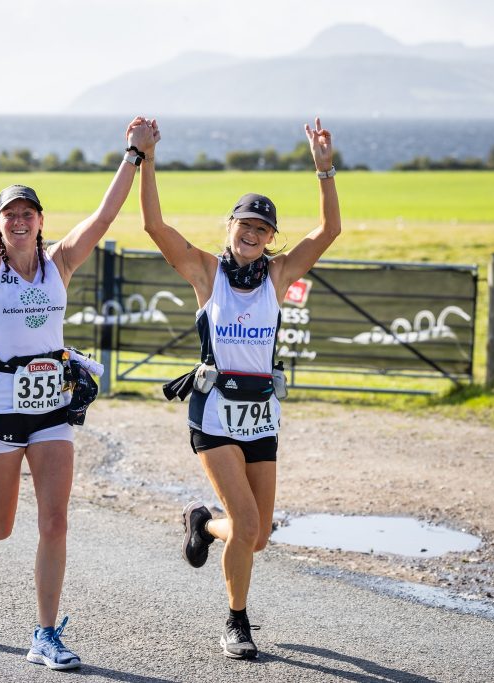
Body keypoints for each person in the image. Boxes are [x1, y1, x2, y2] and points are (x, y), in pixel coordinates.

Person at [0, 84, 153, 671]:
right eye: (10, 215)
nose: (19, 221)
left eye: (28, 213)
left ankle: (45, 634)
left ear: (40, 221)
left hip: (51, 408)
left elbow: (105, 215)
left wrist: (134, 155)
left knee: (55, 520)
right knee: (0, 524)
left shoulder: (60, 264)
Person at [138, 117, 341, 659]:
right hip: (214, 414)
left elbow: (328, 233)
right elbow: (155, 226)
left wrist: (324, 170)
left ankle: (204, 525)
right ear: (229, 226)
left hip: (262, 414)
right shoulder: (207, 273)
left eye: (262, 230)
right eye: (244, 226)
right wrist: (146, 158)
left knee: (259, 534)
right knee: (248, 522)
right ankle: (237, 623)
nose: (251, 236)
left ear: (270, 238)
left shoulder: (277, 277)